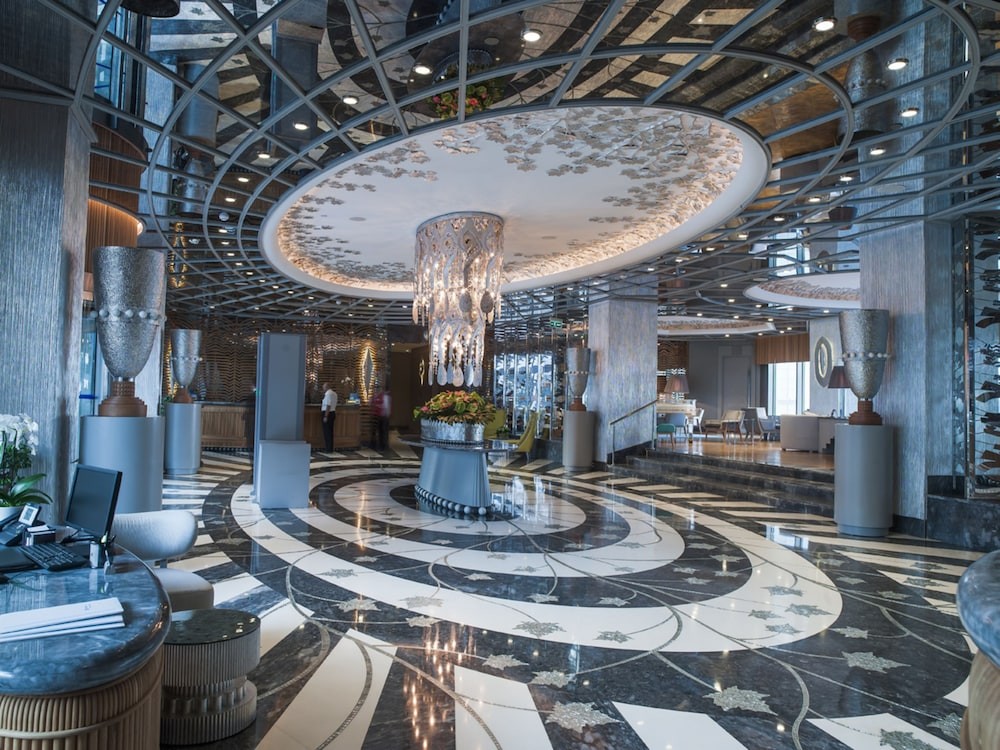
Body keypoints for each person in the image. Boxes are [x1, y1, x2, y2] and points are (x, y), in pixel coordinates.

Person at [373, 386, 391, 451]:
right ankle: (381, 445)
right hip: (379, 416)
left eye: (378, 389)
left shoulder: (384, 397)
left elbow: (387, 407)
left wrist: (386, 416)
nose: (377, 390)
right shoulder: (376, 396)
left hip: (383, 417)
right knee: (380, 431)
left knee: (383, 431)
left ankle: (383, 446)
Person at [321, 382, 337, 452]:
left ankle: (328, 449)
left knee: (327, 432)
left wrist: (325, 416)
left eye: (323, 387)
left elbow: (328, 405)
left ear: (326, 387)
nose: (323, 389)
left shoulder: (328, 394)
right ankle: (330, 448)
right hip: (333, 413)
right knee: (330, 431)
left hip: (327, 413)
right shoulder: (334, 394)